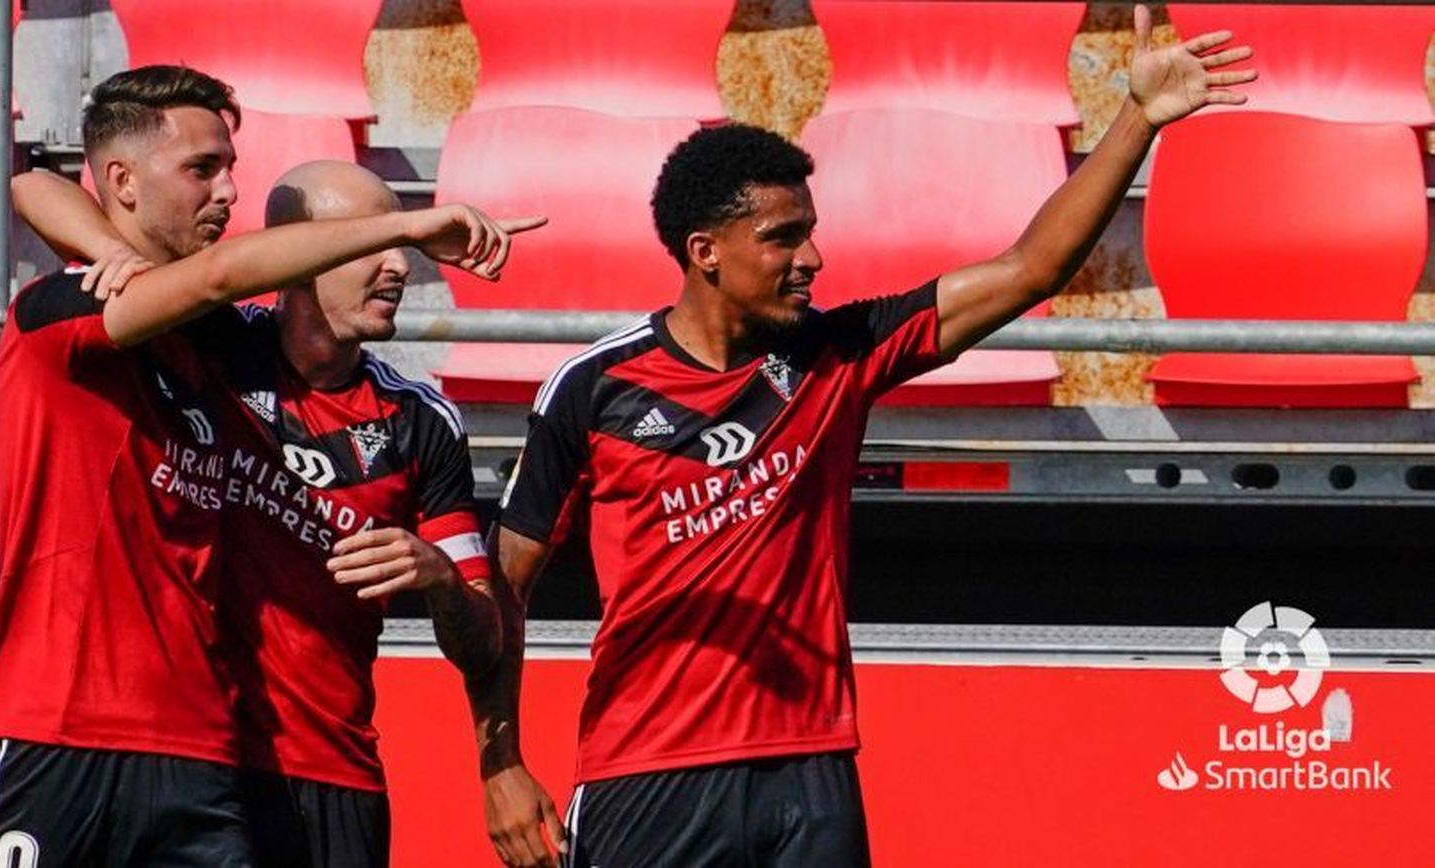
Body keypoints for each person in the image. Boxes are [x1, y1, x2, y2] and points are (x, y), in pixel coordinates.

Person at [466, 7, 1256, 866]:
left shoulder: (835, 354)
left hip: (812, 768)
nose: (812, 259)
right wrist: (499, 761)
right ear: (705, 251)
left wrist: (1136, 117)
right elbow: (503, 585)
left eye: (811, 232)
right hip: (647, 774)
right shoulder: (591, 390)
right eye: (782, 239)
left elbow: (1032, 268)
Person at [0, 65, 535, 868]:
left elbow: (482, 624)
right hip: (58, 733)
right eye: (203, 170)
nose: (227, 192)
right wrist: (408, 227)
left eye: (230, 170)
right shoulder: (86, 317)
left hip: (211, 754)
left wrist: (435, 578)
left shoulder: (216, 353)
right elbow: (31, 189)